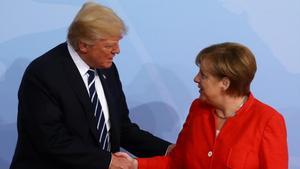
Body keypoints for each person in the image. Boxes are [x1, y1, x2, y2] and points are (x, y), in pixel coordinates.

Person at [10, 2, 171, 169]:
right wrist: (108, 161)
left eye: (117, 43)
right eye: (109, 45)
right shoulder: (43, 74)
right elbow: (51, 140)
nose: (117, 50)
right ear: (83, 45)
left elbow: (120, 128)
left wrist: (168, 150)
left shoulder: (107, 69)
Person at [120, 42, 289, 169]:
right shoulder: (197, 109)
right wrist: (134, 164)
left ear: (225, 83)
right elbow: (176, 161)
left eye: (203, 75)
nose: (196, 79)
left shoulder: (268, 120)